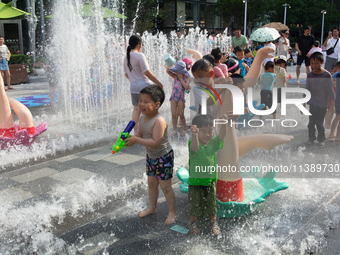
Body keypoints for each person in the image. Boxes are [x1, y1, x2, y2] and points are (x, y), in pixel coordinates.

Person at [125, 85, 176, 224]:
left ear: (157, 105)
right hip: (151, 157)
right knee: (152, 184)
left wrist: (137, 140)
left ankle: (172, 212)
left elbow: (155, 142)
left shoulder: (159, 121)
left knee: (165, 187)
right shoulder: (142, 118)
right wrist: (131, 139)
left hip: (164, 156)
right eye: (140, 100)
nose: (141, 104)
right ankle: (152, 208)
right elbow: (140, 134)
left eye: (146, 101)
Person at [188, 114, 227, 235]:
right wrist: (194, 135)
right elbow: (194, 148)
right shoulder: (193, 142)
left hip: (210, 180)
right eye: (203, 132)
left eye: (210, 131)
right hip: (195, 182)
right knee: (195, 203)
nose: (207, 135)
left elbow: (221, 135)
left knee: (211, 203)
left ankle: (213, 223)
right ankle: (193, 222)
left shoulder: (213, 143)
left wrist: (224, 124)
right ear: (197, 130)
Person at [124, 35, 163, 134]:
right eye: (141, 44)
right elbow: (147, 72)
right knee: (149, 108)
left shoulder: (126, 57)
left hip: (133, 86)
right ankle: (151, 129)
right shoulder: (140, 56)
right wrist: (158, 83)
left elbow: (126, 74)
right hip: (144, 85)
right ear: (138, 44)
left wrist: (134, 80)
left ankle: (136, 132)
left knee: (136, 109)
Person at [304, 52, 335, 146]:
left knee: (319, 123)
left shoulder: (326, 75)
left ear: (322, 62)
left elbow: (330, 90)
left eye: (316, 63)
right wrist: (303, 103)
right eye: (312, 63)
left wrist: (332, 105)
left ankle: (321, 139)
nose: (314, 65)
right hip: (313, 103)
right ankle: (311, 138)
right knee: (311, 123)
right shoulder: (310, 75)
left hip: (322, 103)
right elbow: (307, 89)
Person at [166, 61, 191, 136]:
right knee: (173, 114)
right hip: (173, 97)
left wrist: (181, 79)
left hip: (181, 98)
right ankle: (174, 129)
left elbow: (186, 87)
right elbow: (167, 70)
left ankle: (183, 129)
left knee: (181, 114)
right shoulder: (175, 76)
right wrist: (172, 64)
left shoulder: (187, 77)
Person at [329, 61, 340, 140]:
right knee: (338, 117)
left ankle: (333, 133)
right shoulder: (337, 75)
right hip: (338, 98)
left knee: (337, 117)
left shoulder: (336, 74)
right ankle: (336, 135)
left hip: (337, 98)